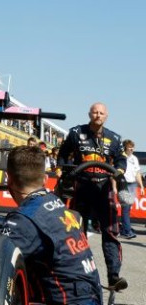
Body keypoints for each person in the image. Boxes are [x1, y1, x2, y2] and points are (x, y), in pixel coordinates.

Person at [1, 147, 102, 305]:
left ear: (9, 180)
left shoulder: (23, 220)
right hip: (91, 295)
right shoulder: (59, 205)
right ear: (45, 179)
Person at [56, 102, 128, 290]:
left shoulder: (114, 138)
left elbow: (121, 159)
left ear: (106, 116)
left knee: (110, 232)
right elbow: (63, 154)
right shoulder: (75, 133)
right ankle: (77, 273)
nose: (98, 115)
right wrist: (61, 171)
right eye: (95, 112)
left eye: (101, 113)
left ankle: (114, 277)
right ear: (89, 114)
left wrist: (119, 171)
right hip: (81, 187)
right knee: (76, 233)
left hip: (104, 189)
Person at [120, 139, 143, 239]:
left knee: (128, 208)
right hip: (123, 184)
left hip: (132, 184)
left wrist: (141, 186)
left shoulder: (134, 159)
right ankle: (127, 231)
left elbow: (137, 173)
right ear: (125, 147)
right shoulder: (121, 157)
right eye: (130, 147)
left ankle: (125, 228)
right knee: (125, 208)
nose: (132, 149)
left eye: (132, 147)